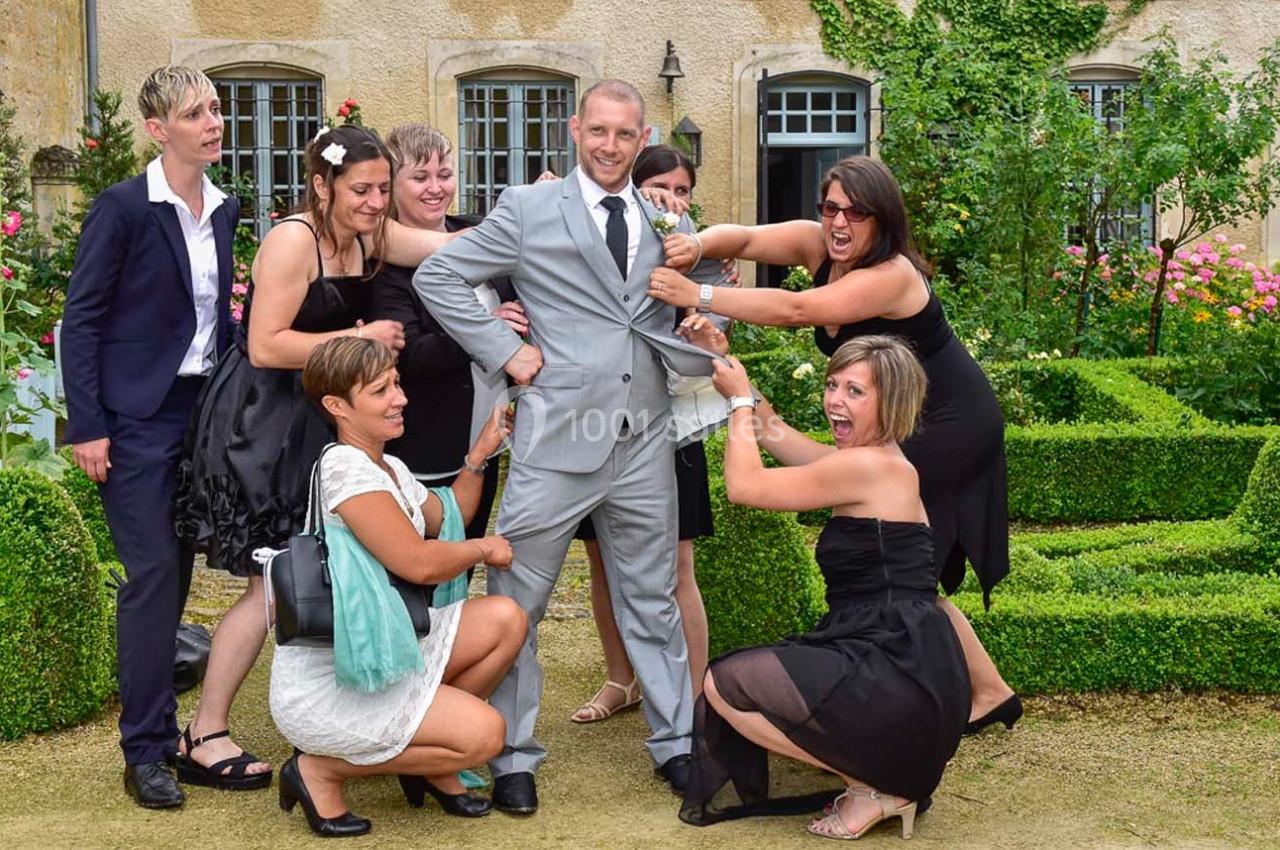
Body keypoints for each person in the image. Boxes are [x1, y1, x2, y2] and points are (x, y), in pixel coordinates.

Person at [414, 79, 730, 814]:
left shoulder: (665, 212)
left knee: (650, 598)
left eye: (625, 134)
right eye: (599, 132)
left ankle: (677, 744)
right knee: (518, 601)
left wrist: (708, 313)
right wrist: (506, 351)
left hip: (645, 439)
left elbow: (682, 309)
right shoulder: (528, 209)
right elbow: (441, 273)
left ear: (640, 132)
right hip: (556, 441)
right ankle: (513, 756)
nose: (611, 146)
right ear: (574, 129)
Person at [648, 156, 1021, 734]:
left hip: (947, 424)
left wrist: (696, 291)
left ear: (884, 218)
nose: (839, 223)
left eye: (857, 212)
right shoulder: (818, 244)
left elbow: (801, 310)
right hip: (899, 418)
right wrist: (695, 244)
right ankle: (985, 689)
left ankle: (945, 689)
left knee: (902, 571)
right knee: (901, 571)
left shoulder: (892, 274)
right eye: (831, 209)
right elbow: (742, 238)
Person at [172, 124, 457, 791]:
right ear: (322, 185)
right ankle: (204, 731)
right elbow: (267, 344)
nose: (375, 201)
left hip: (322, 421)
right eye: (361, 189)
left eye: (384, 189)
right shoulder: (292, 239)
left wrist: (543, 218)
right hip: (265, 426)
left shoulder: (370, 232)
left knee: (317, 573)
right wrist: (360, 335)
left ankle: (354, 715)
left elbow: (449, 244)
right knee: (267, 581)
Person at [680, 336, 969, 839]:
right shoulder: (879, 458)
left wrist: (737, 403)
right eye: (832, 384)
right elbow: (781, 437)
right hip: (908, 663)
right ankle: (882, 778)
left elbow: (743, 487)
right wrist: (730, 365)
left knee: (722, 684)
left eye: (855, 391)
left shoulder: (865, 467)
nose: (835, 399)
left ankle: (873, 787)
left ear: (891, 402)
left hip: (891, 668)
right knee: (742, 682)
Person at [60, 66, 240, 809]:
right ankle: (146, 752)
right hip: (135, 421)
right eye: (197, 113)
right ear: (159, 129)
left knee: (177, 574)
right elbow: (83, 319)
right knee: (151, 580)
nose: (214, 122)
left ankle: (165, 730)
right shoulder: (125, 207)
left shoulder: (225, 208)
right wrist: (89, 428)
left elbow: (215, 321)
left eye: (217, 109)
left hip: (200, 414)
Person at [272, 336, 527, 837]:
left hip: (389, 645)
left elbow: (449, 515)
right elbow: (418, 563)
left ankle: (431, 760)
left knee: (506, 619)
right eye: (380, 390)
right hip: (336, 679)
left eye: (397, 384)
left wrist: (479, 453)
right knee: (486, 735)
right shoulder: (345, 468)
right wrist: (484, 549)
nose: (400, 398)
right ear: (337, 407)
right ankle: (320, 770)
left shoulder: (388, 467)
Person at [571, 144, 721, 723]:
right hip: (594, 424)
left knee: (677, 567)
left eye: (683, 191)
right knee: (602, 564)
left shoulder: (698, 262)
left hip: (671, 430)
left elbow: (714, 331)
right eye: (661, 189)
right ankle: (621, 679)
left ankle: (698, 694)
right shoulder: (597, 238)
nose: (672, 201)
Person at [368, 123, 527, 544]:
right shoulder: (386, 265)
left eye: (445, 174)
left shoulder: (477, 230)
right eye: (420, 177)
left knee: (466, 559)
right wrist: (487, 332)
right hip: (428, 443)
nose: (435, 188)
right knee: (424, 568)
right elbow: (410, 355)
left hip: (487, 439)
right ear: (392, 184)